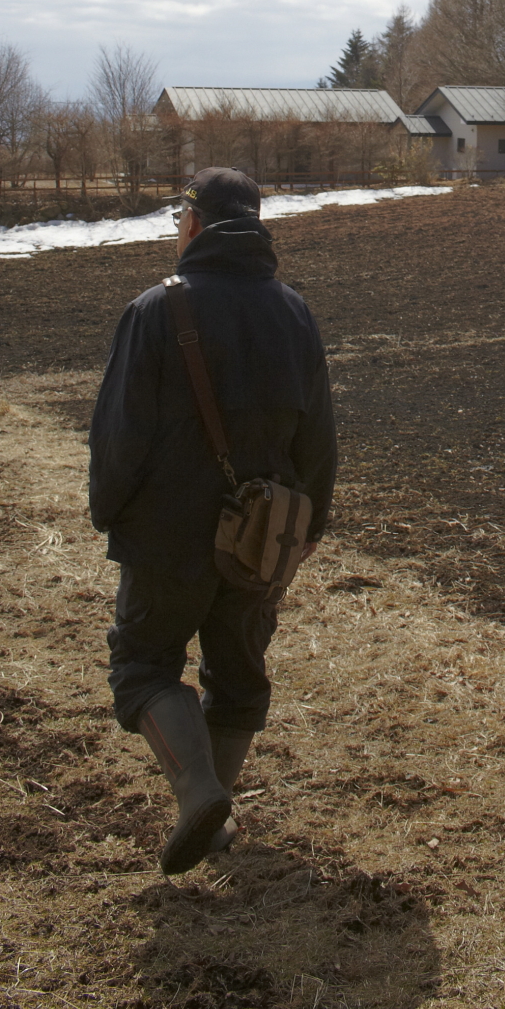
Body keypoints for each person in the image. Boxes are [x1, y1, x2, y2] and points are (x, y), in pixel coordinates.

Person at [88, 167, 337, 874]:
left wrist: (107, 508)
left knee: (142, 667)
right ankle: (214, 816)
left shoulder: (155, 311)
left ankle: (198, 793)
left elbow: (119, 433)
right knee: (238, 677)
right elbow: (318, 435)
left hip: (167, 537)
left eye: (178, 220)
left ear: (194, 224)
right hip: (262, 538)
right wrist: (309, 524)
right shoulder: (294, 311)